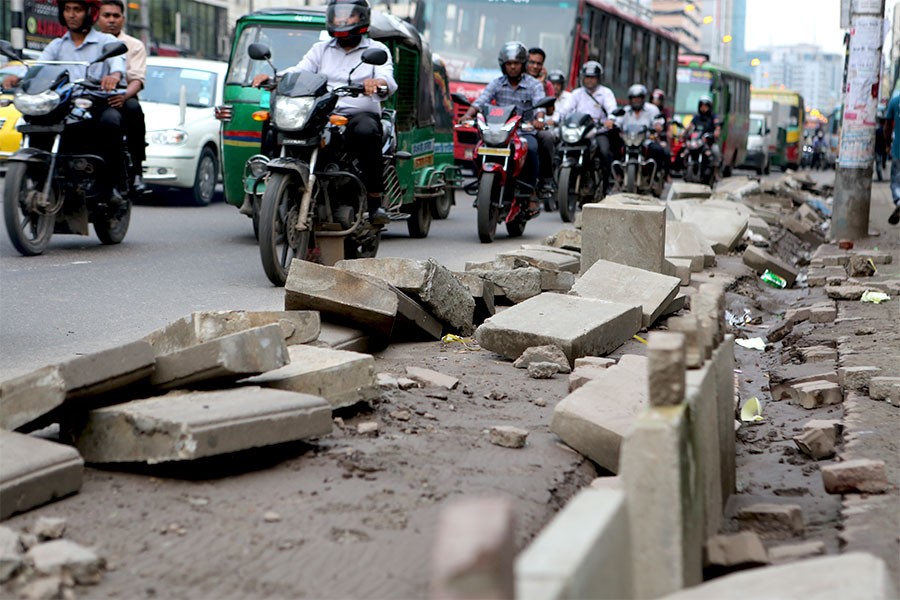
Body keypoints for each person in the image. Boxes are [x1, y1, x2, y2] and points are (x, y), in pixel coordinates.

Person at [252, 0, 397, 224]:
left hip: (355, 115)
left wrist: (378, 83)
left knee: (367, 131)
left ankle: (374, 201)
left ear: (362, 18)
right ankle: (268, 180)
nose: (342, 19)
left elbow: (388, 80)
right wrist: (273, 78)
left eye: (349, 15)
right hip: (321, 113)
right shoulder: (320, 49)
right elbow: (300, 71)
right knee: (275, 126)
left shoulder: (376, 50)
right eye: (338, 14)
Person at [2, 0, 127, 206]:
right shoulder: (57, 45)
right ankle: (40, 175)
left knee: (111, 122)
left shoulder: (105, 41)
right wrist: (18, 77)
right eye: (67, 9)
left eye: (77, 10)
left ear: (90, 13)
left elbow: (117, 67)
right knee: (33, 121)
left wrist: (113, 77)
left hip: (92, 102)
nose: (71, 14)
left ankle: (113, 185)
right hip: (62, 105)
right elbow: (40, 67)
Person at [462, 41, 551, 207]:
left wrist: (539, 120)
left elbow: (540, 105)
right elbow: (481, 101)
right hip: (499, 132)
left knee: (532, 149)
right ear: (503, 65)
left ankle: (530, 192)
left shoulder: (534, 84)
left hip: (524, 131)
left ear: (523, 64)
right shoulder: (497, 83)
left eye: (516, 63)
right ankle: (483, 187)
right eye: (509, 63)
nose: (513, 67)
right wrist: (468, 115)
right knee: (479, 148)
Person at [98, 0, 147, 193]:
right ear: (98, 18)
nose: (111, 20)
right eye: (106, 15)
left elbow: (137, 79)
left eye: (116, 16)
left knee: (133, 109)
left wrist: (124, 96)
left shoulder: (134, 45)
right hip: (90, 97)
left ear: (123, 19)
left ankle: (137, 168)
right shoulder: (90, 42)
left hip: (122, 97)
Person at [559, 60, 617, 192]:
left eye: (593, 77)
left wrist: (611, 120)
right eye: (587, 77)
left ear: (598, 78)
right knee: (558, 148)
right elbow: (565, 110)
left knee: (604, 151)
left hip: (598, 131)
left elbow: (612, 109)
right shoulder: (576, 94)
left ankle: (606, 183)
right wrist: (556, 119)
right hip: (578, 132)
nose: (590, 80)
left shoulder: (606, 93)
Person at [615, 84, 668, 180]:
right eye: (634, 98)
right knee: (613, 148)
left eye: (639, 98)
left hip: (645, 141)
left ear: (643, 98)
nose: (636, 100)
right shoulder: (625, 110)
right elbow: (617, 121)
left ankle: (654, 176)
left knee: (658, 151)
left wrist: (658, 126)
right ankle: (617, 176)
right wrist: (612, 124)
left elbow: (658, 121)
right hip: (628, 141)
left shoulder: (652, 109)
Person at [684, 95, 721, 176]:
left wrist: (716, 132)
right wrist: (684, 132)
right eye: (702, 106)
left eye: (705, 106)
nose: (703, 108)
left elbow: (717, 126)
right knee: (685, 150)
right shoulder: (697, 117)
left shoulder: (713, 117)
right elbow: (689, 125)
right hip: (697, 141)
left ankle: (715, 172)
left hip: (709, 141)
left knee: (715, 151)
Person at [884, 93, 900, 225]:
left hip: (898, 149)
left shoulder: (895, 102)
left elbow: (887, 127)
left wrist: (888, 145)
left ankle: (899, 201)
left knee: (895, 182)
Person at [875, 115, 886, 182]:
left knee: (878, 163)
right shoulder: (885, 131)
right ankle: (880, 176)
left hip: (878, 149)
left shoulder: (877, 131)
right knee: (882, 163)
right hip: (884, 149)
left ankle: (879, 177)